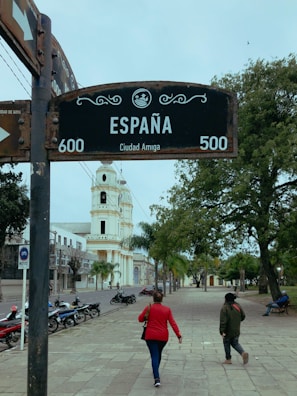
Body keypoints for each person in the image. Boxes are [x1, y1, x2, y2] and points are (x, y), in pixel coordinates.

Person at [138, 291, 182, 388]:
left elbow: (140, 319)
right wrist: (178, 335)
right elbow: (172, 323)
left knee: (154, 355)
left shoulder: (149, 307)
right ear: (162, 299)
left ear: (153, 298)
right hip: (163, 336)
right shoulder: (167, 309)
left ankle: (156, 378)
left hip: (150, 336)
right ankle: (156, 369)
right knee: (158, 353)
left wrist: (147, 315)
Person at [219, 293, 249, 365]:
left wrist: (222, 331)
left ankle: (228, 359)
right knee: (235, 343)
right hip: (236, 329)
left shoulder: (225, 308)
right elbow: (243, 316)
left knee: (226, 343)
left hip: (228, 330)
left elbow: (223, 321)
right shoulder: (237, 306)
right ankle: (242, 353)